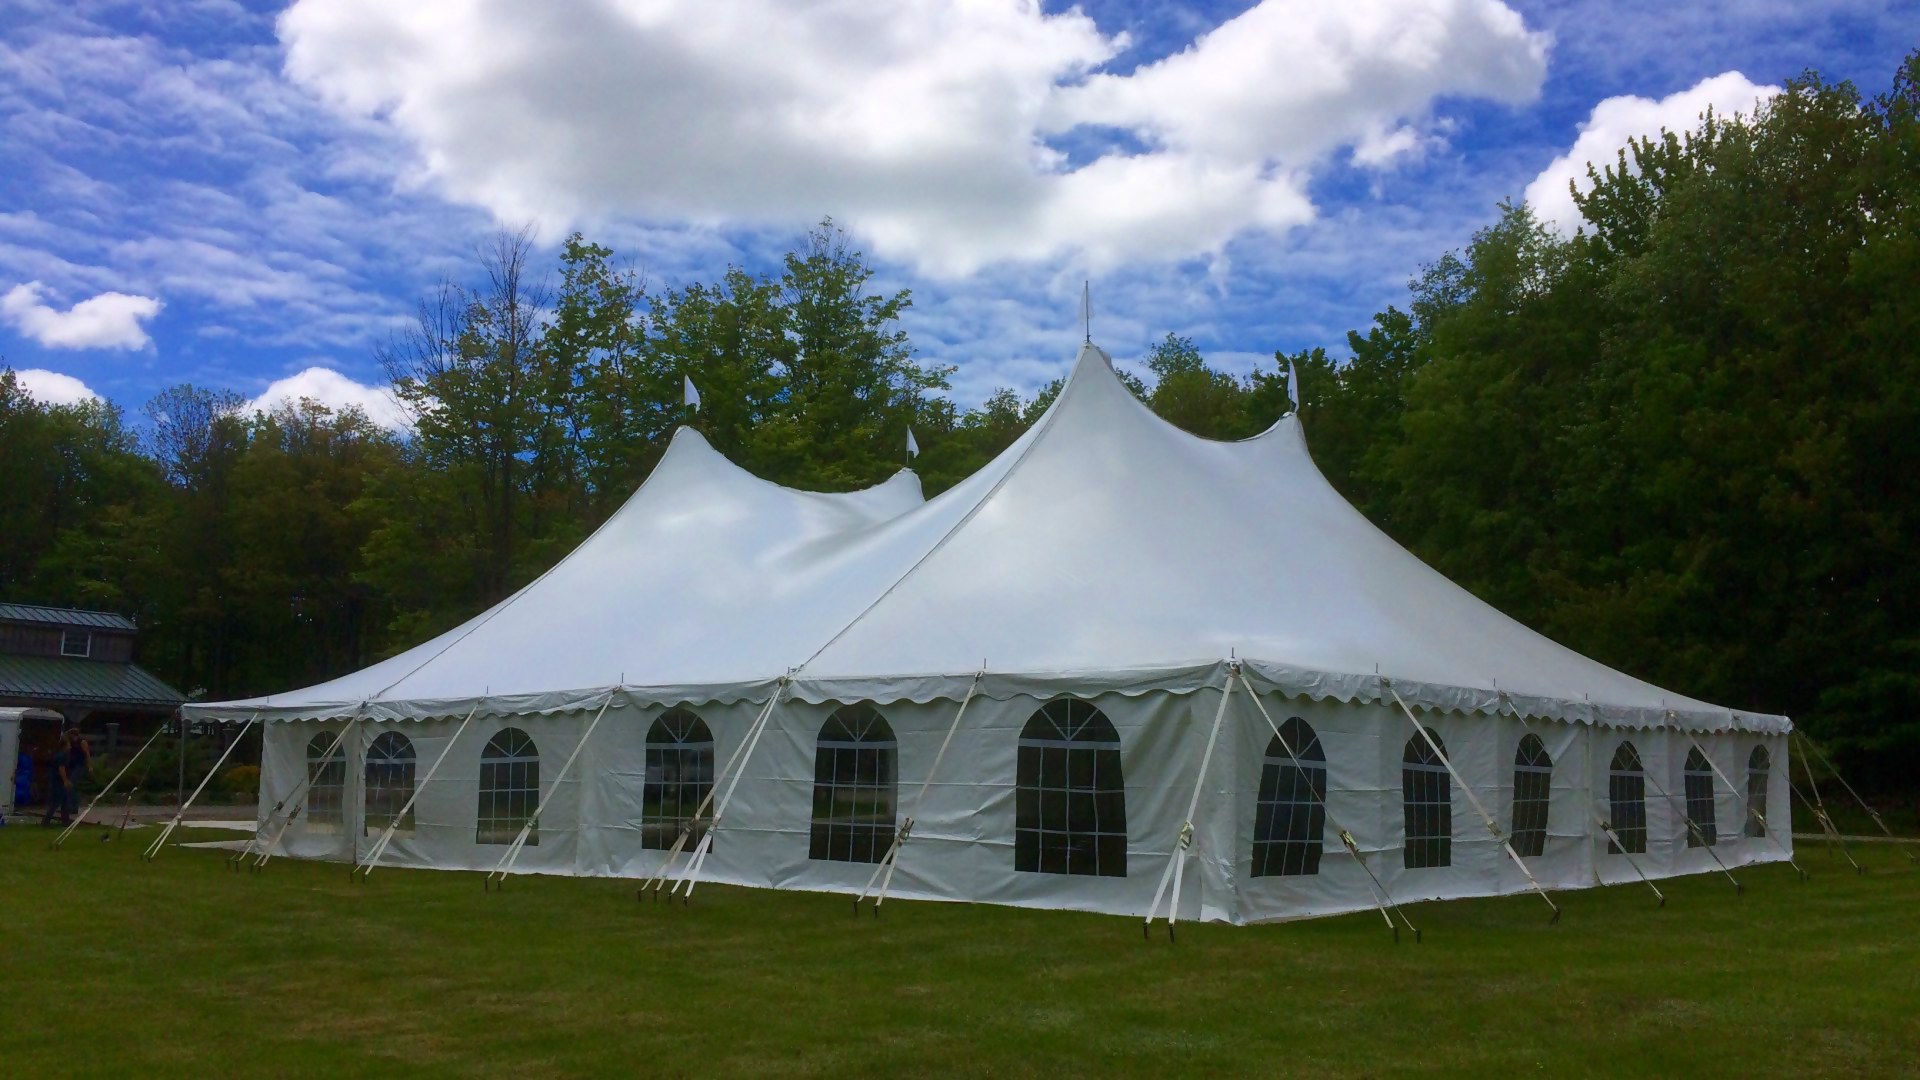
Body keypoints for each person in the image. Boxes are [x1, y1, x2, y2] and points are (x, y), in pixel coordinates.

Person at [40, 732, 71, 827]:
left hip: (56, 781)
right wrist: (65, 781)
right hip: (58, 782)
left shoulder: (58, 754)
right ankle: (46, 821)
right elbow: (61, 769)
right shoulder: (63, 756)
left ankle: (65, 821)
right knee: (56, 802)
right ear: (64, 746)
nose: (70, 747)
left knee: (65, 801)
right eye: (68, 745)